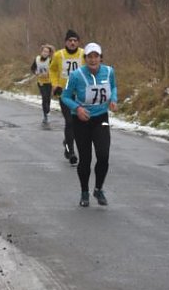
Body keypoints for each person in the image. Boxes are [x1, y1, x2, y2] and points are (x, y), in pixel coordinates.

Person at [60, 42, 118, 207]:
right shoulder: (76, 75)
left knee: (103, 155)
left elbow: (113, 87)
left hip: (101, 118)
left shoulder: (109, 71)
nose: (93, 60)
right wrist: (77, 108)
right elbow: (65, 97)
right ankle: (84, 192)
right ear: (85, 58)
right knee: (85, 159)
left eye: (96, 56)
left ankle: (98, 189)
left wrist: (113, 99)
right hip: (82, 120)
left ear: (101, 58)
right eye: (89, 57)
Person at [49, 29, 84, 164]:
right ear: (66, 42)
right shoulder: (59, 55)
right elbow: (52, 70)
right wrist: (55, 84)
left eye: (75, 40)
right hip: (65, 93)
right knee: (69, 122)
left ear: (78, 42)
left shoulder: (83, 54)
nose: (73, 43)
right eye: (70, 40)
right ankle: (70, 151)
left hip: (80, 94)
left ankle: (67, 141)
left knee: (77, 124)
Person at [30, 44, 55, 126]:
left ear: (49, 54)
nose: (45, 53)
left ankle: (47, 111)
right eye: (44, 51)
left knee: (48, 98)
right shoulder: (37, 59)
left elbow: (54, 70)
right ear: (41, 52)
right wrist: (35, 72)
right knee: (44, 97)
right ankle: (45, 115)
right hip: (41, 82)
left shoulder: (50, 60)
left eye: (47, 52)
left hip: (49, 82)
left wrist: (50, 74)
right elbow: (32, 68)